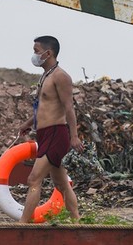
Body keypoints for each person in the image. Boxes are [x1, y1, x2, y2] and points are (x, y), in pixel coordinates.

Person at [17, 35, 84, 222]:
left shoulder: (61, 76)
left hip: (57, 133)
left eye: (36, 51)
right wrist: (27, 124)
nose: (34, 55)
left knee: (33, 179)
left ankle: (22, 224)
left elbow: (69, 107)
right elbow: (43, 107)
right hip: (44, 134)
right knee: (62, 184)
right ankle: (76, 221)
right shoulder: (45, 76)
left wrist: (74, 136)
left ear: (48, 53)